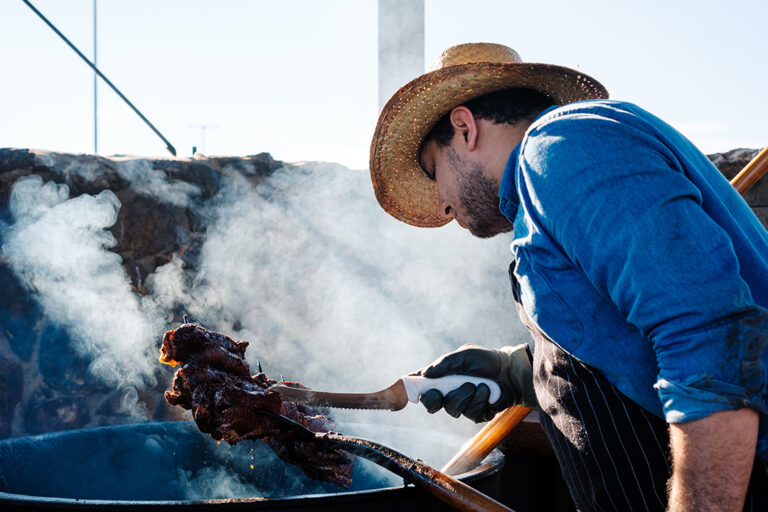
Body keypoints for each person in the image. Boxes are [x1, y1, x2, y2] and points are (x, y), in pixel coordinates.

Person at [369, 43, 768, 512]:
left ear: (464, 127)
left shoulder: (562, 148)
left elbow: (708, 335)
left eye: (436, 172)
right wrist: (520, 370)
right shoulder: (553, 171)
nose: (442, 205)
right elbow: (623, 334)